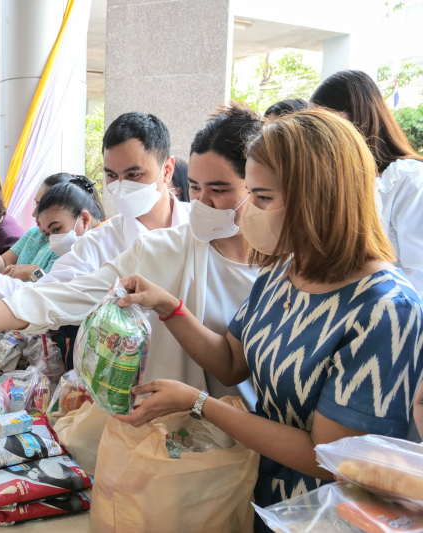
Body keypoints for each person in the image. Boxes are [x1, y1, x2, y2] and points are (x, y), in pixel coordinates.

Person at [112, 110, 422, 532]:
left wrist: (199, 403)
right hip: (265, 499)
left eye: (261, 198)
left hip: (323, 516)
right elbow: (231, 360)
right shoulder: (284, 271)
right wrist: (169, 307)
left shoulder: (385, 309)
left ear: (318, 197)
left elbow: (330, 458)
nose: (248, 213)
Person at [0, 103, 263, 400]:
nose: (204, 202)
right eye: (196, 189)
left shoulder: (288, 262)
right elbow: (52, 298)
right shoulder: (151, 249)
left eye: (218, 189)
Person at [0, 112, 190, 304]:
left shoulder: (198, 232)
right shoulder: (99, 242)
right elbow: (43, 297)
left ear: (167, 170)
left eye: (133, 175)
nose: (121, 186)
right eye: (112, 175)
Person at [309, 69, 423, 296]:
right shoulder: (333, 179)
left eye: (327, 125)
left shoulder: (410, 179)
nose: (318, 137)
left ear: (360, 120)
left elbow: (417, 275)